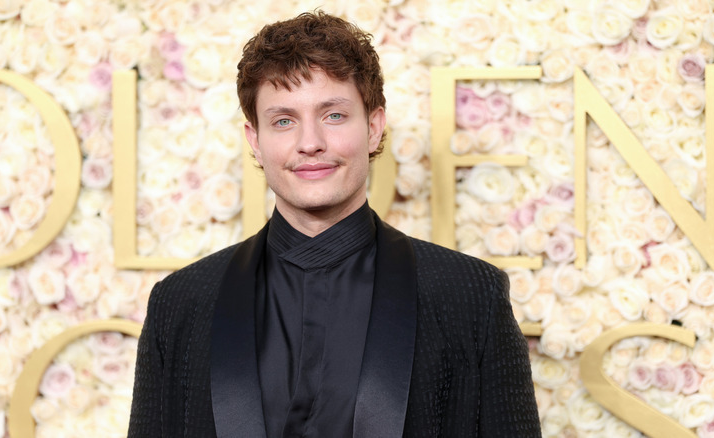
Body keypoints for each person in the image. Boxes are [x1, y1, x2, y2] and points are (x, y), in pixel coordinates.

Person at [128, 11, 540, 438]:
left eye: (334, 115)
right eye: (283, 121)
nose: (310, 143)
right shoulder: (179, 304)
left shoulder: (471, 295)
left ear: (375, 127)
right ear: (255, 140)